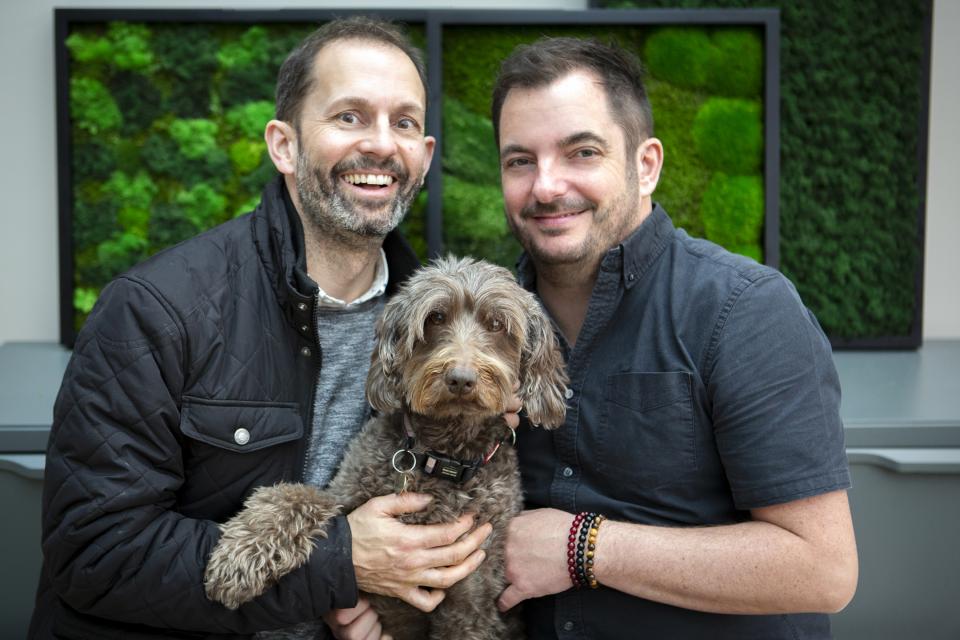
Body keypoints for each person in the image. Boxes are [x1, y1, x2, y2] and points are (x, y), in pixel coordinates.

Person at [29, 17, 493, 640]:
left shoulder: (446, 325)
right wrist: (340, 564)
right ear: (284, 145)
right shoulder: (157, 310)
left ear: (425, 157)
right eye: (349, 117)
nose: (382, 144)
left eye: (403, 122)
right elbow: (93, 554)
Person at [490, 38, 859, 639]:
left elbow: (823, 569)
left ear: (646, 164)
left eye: (581, 152)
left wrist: (582, 548)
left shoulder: (743, 310)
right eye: (519, 161)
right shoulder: (486, 322)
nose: (547, 186)